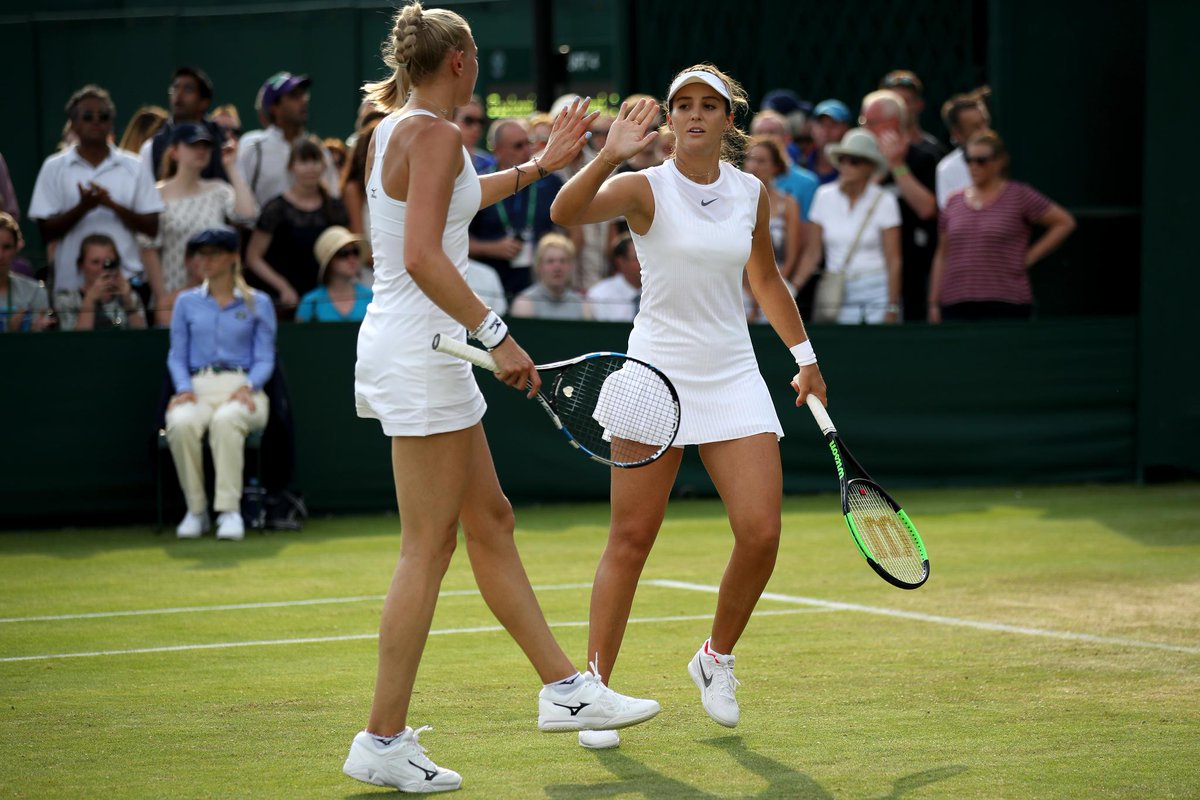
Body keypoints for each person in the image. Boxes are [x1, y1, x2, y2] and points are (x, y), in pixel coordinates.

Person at [343, 3, 660, 792]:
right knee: (427, 547)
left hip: (420, 349)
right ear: (458, 61)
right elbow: (423, 255)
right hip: (427, 352)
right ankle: (381, 738)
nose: (479, 66)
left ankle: (565, 689)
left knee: (490, 522)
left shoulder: (399, 129)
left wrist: (538, 167)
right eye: (476, 56)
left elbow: (450, 200)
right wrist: (498, 335)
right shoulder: (434, 135)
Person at [550, 65, 828, 750]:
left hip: (732, 374)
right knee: (630, 541)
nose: (696, 114)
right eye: (684, 105)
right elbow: (565, 214)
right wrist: (608, 154)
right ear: (670, 119)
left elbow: (765, 277)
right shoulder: (644, 186)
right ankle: (594, 692)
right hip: (653, 374)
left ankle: (715, 657)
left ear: (730, 119)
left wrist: (805, 357)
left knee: (761, 533)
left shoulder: (751, 192)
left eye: (710, 105)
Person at [165, 227, 275, 541]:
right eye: (201, 254)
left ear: (233, 257)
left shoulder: (259, 302)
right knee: (180, 423)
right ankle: (196, 510)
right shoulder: (185, 302)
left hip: (244, 387)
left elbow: (265, 357)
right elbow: (177, 355)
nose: (205, 261)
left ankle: (229, 511)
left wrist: (249, 386)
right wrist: (184, 388)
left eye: (213, 254)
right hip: (197, 388)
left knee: (227, 420)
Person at [29, 84, 163, 297]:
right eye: (87, 116)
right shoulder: (53, 167)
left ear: (111, 123)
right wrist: (83, 208)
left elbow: (152, 227)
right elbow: (46, 232)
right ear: (73, 124)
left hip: (127, 284)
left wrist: (112, 205)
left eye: (103, 116)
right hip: (72, 287)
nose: (96, 121)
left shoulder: (135, 166)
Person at [928, 129, 1076, 322]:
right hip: (956, 303)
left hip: (1006, 300)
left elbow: (1064, 222)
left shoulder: (1019, 195)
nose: (974, 166)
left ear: (1000, 161)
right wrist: (933, 302)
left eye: (981, 160)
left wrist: (1027, 258)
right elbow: (942, 254)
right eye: (969, 160)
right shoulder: (953, 201)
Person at [139, 123, 258, 325]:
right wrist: (163, 298)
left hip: (217, 297)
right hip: (174, 298)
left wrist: (231, 166)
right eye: (193, 145)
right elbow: (148, 248)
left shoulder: (218, 190)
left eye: (205, 146)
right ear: (174, 152)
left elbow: (248, 215)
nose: (201, 150)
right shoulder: (156, 194)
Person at [795, 128, 902, 324]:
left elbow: (893, 259)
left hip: (878, 291)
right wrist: (792, 288)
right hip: (837, 292)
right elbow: (812, 254)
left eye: (854, 161)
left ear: (870, 167)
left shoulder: (886, 200)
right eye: (842, 159)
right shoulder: (823, 196)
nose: (846, 165)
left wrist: (892, 305)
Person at [245, 137, 349, 315]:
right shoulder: (275, 209)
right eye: (303, 161)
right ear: (291, 167)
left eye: (315, 160)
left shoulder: (334, 208)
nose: (310, 168)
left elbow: (344, 251)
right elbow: (253, 257)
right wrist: (283, 287)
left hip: (324, 301)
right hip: (283, 301)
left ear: (324, 166)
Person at [468, 118, 566, 295]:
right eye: (518, 146)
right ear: (498, 149)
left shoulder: (550, 182)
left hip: (540, 286)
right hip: (489, 286)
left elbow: (573, 233)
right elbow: (458, 239)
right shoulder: (480, 185)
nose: (527, 150)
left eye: (529, 143)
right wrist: (491, 248)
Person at [237, 72, 340, 207]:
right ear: (274, 108)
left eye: (303, 94)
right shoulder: (253, 147)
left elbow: (333, 198)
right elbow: (239, 199)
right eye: (294, 96)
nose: (303, 100)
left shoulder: (318, 150)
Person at [742, 136, 804, 319]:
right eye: (751, 159)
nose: (754, 166)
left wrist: (769, 288)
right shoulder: (731, 201)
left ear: (776, 167)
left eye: (761, 161)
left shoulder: (789, 203)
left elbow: (791, 256)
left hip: (775, 281)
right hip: (738, 285)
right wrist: (749, 291)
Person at [141, 67, 230, 182]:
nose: (179, 94)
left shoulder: (223, 140)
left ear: (204, 102)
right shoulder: (152, 146)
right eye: (175, 88)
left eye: (188, 89)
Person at [53, 233, 148, 331]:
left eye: (108, 262)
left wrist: (129, 304)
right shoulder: (66, 300)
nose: (102, 268)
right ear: (81, 265)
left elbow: (142, 337)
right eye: (95, 262)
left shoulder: (130, 297)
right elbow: (74, 339)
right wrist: (89, 300)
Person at [297, 226, 372, 322]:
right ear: (329, 262)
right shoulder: (311, 303)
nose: (352, 258)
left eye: (355, 251)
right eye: (343, 253)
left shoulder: (371, 297)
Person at [510, 232, 588, 320]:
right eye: (550, 261)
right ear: (539, 266)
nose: (557, 268)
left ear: (571, 266)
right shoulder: (524, 303)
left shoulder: (583, 305)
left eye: (563, 261)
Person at [937, 88, 992, 210]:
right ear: (957, 135)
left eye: (985, 122)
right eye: (976, 127)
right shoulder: (947, 170)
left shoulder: (1005, 157)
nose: (985, 131)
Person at [0, 213, 51, 332]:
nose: (0, 255)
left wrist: (33, 333)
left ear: (16, 248)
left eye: (6, 247)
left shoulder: (34, 292)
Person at [584, 234, 640, 322]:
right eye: (638, 258)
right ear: (621, 262)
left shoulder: (658, 292)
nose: (644, 263)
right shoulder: (599, 295)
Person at [807, 99, 852, 183]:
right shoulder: (799, 162)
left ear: (846, 130)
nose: (826, 131)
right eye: (821, 124)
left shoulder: (854, 170)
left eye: (834, 124)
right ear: (812, 128)